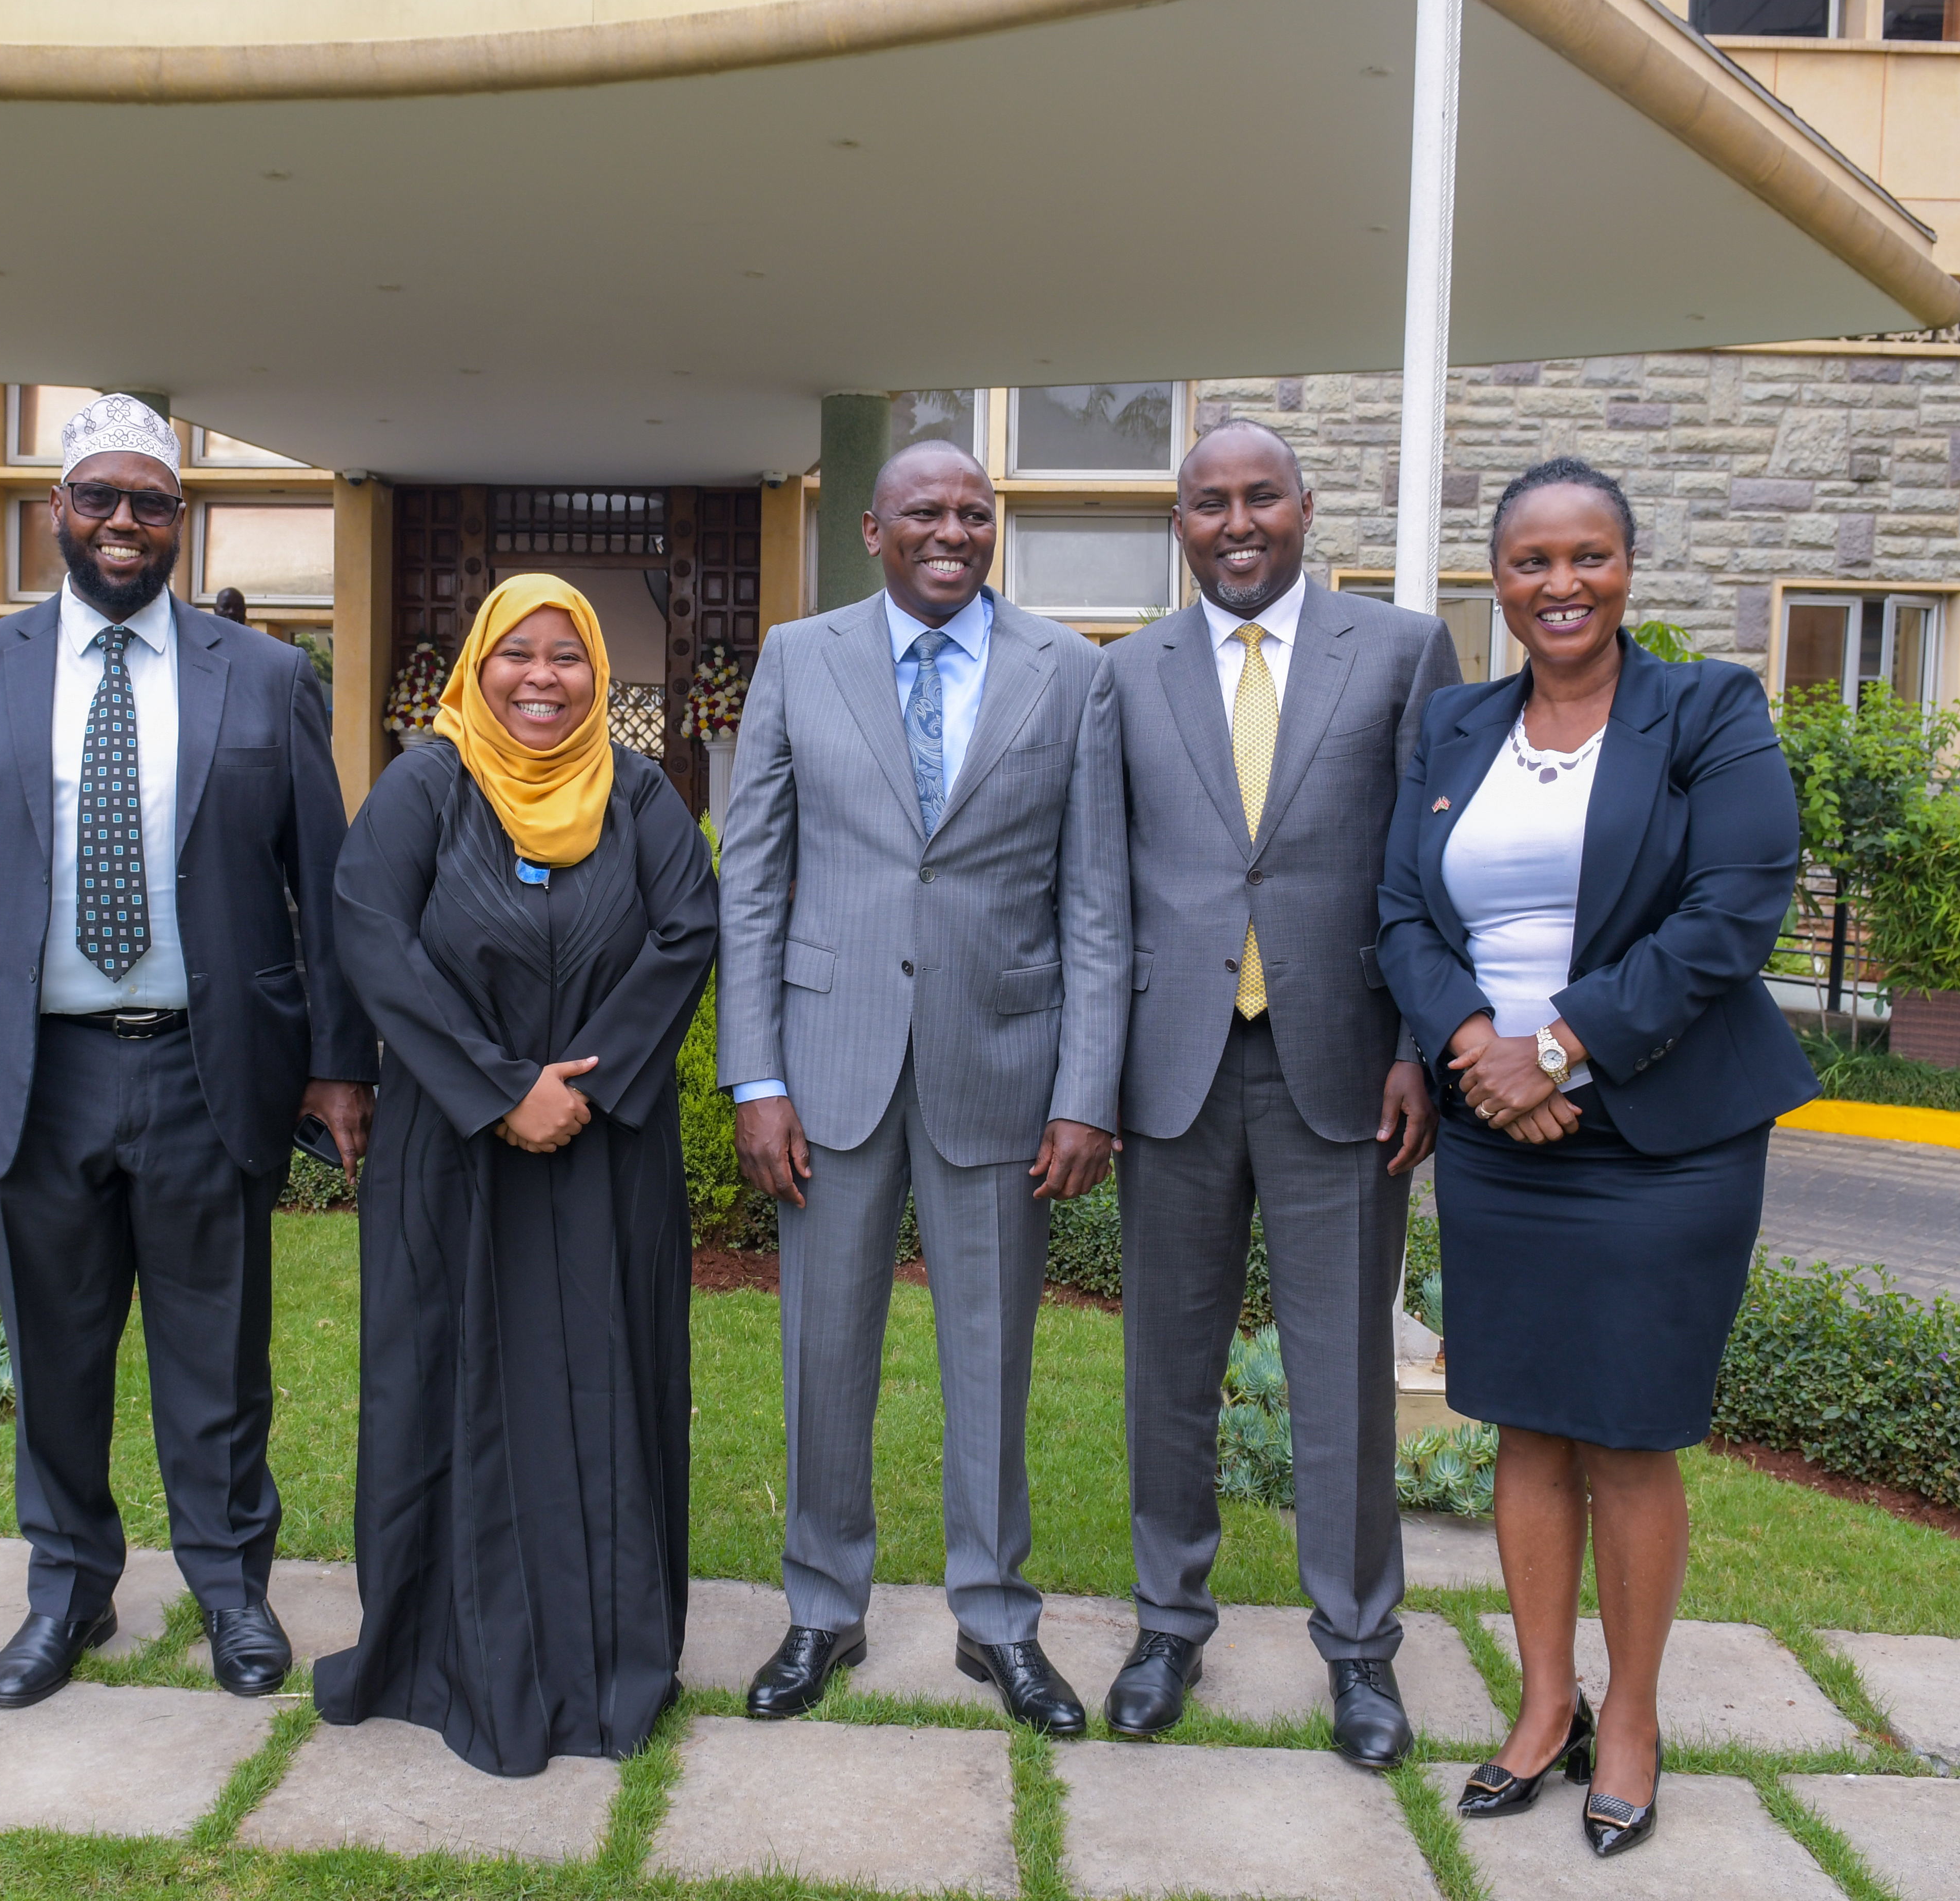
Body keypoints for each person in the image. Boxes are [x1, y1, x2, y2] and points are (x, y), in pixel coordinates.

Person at [0, 393, 378, 1711]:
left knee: (218, 1358)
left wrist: (340, 1064)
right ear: (57, 509)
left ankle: (231, 1587)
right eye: (98, 497)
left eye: (149, 503)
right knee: (56, 1357)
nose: (122, 523)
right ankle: (68, 1589)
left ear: (178, 519)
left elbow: (323, 885)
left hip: (209, 1070)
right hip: (30, 1074)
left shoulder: (263, 677)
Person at [1375, 457, 1814, 1858]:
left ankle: (1630, 1717)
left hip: (1664, 1131)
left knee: (1625, 1430)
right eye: (1531, 561)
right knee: (1522, 1420)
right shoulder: (1456, 723)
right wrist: (1475, 1049)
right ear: (1496, 580)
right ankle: (1544, 1704)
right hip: (1498, 1132)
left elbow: (1732, 907)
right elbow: (1400, 914)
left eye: (1588, 557)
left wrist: (1554, 1047)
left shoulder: (1707, 710)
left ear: (1627, 567)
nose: (1560, 584)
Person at [718, 439, 1127, 1736]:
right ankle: (821, 1608)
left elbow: (1094, 898)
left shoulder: (1071, 671)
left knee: (992, 1359)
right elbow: (752, 878)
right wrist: (754, 1074)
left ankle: (995, 1617)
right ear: (872, 530)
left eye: (974, 513)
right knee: (822, 1351)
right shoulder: (800, 658)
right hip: (828, 1063)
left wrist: (1085, 1088)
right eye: (926, 513)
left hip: (999, 1062)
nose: (953, 532)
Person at [316, 574, 718, 1777]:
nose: (543, 677)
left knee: (607, 1382)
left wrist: (584, 1086)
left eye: (568, 655)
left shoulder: (638, 793)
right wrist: (499, 1089)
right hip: (451, 1156)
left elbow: (686, 930)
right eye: (517, 653)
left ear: (598, 672)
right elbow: (371, 935)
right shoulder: (424, 788)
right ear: (474, 666)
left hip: (608, 1156)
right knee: (444, 1382)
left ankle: (607, 1661)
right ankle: (442, 1653)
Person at [1099, 420, 1453, 1761]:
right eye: (1210, 503)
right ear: (1178, 525)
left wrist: (1418, 1045)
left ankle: (1359, 1651)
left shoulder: (1403, 652)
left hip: (1347, 1066)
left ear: (1306, 508)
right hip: (1173, 1070)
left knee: (1343, 1373)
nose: (1237, 523)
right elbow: (1099, 886)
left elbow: (1430, 870)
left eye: (1262, 497)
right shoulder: (1126, 672)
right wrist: (1093, 1077)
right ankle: (1167, 1625)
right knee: (1166, 1371)